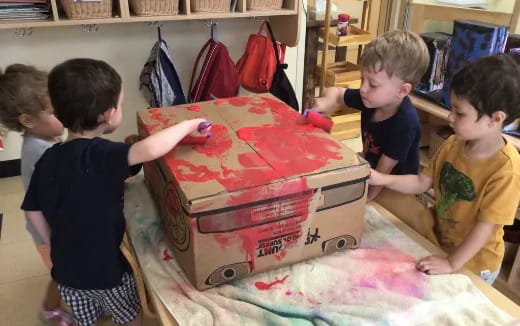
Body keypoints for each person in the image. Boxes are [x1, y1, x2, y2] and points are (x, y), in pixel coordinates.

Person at [21, 58, 210, 326]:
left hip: (66, 274)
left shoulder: (48, 158)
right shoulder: (102, 155)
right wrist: (190, 124)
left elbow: (32, 210)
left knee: (85, 318)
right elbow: (151, 150)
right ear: (108, 115)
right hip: (109, 273)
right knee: (129, 316)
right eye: (120, 105)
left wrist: (52, 243)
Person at [369, 54, 520, 284]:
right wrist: (380, 178)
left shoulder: (506, 171)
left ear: (495, 119)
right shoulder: (454, 143)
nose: (450, 117)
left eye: (459, 113)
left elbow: (485, 230)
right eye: (451, 108)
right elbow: (421, 182)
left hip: (474, 263)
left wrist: (451, 263)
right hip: (440, 242)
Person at [312, 30, 430, 201]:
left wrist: (365, 200)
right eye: (362, 79)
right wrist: (327, 102)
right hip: (371, 170)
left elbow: (384, 171)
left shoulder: (405, 123)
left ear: (402, 90)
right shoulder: (371, 98)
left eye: (373, 84)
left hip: (395, 190)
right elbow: (335, 91)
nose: (363, 88)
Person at [0, 64, 70, 326]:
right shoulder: (41, 153)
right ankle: (49, 309)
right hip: (47, 232)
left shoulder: (46, 139)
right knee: (62, 274)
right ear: (27, 120)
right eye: (54, 111)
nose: (64, 113)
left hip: (50, 225)